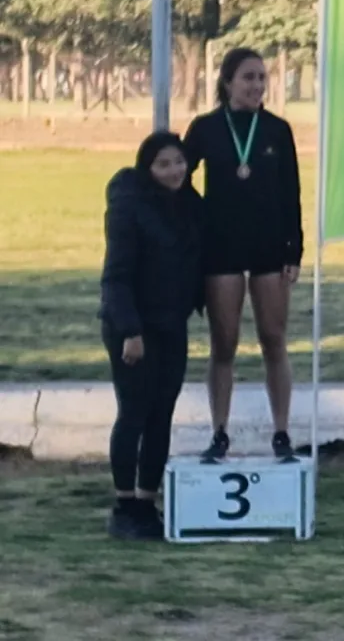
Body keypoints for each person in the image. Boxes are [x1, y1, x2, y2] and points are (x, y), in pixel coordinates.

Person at [183, 47, 304, 462]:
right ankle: (219, 432)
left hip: (270, 246)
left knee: (274, 339)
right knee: (225, 343)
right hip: (222, 247)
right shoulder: (205, 128)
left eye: (261, 78)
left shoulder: (276, 130)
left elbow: (292, 192)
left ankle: (282, 432)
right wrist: (198, 219)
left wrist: (294, 248)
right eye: (248, 77)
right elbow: (179, 177)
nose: (256, 86)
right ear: (227, 82)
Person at [99, 132, 204, 539]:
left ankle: (147, 501)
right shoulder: (128, 208)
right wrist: (130, 331)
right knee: (134, 413)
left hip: (171, 325)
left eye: (179, 162)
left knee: (162, 415)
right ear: (148, 168)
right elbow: (116, 277)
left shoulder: (189, 206)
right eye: (164, 164)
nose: (174, 171)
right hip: (133, 328)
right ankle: (124, 505)